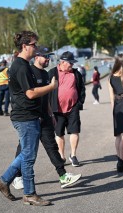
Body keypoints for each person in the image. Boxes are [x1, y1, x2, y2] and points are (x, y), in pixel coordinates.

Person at [0, 31, 57, 206]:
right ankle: (29, 194)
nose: (36, 48)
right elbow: (30, 93)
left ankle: (3, 181)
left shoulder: (23, 65)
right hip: (25, 117)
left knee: (25, 155)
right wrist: (51, 87)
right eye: (34, 44)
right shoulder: (21, 66)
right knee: (28, 157)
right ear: (25, 46)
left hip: (28, 116)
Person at [12, 46, 81, 190]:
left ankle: (63, 176)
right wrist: (51, 87)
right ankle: (16, 177)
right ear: (37, 57)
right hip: (30, 117)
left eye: (49, 56)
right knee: (25, 149)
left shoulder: (45, 74)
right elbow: (30, 93)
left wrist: (50, 113)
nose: (48, 59)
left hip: (44, 116)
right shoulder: (29, 71)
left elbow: (46, 96)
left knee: (52, 147)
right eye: (45, 56)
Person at [48, 51, 86, 167]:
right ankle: (61, 156)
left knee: (75, 131)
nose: (72, 65)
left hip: (73, 107)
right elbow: (47, 91)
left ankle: (73, 155)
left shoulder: (76, 73)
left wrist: (79, 103)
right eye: (70, 63)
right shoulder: (52, 73)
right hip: (57, 109)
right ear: (63, 62)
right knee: (59, 133)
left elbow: (82, 89)